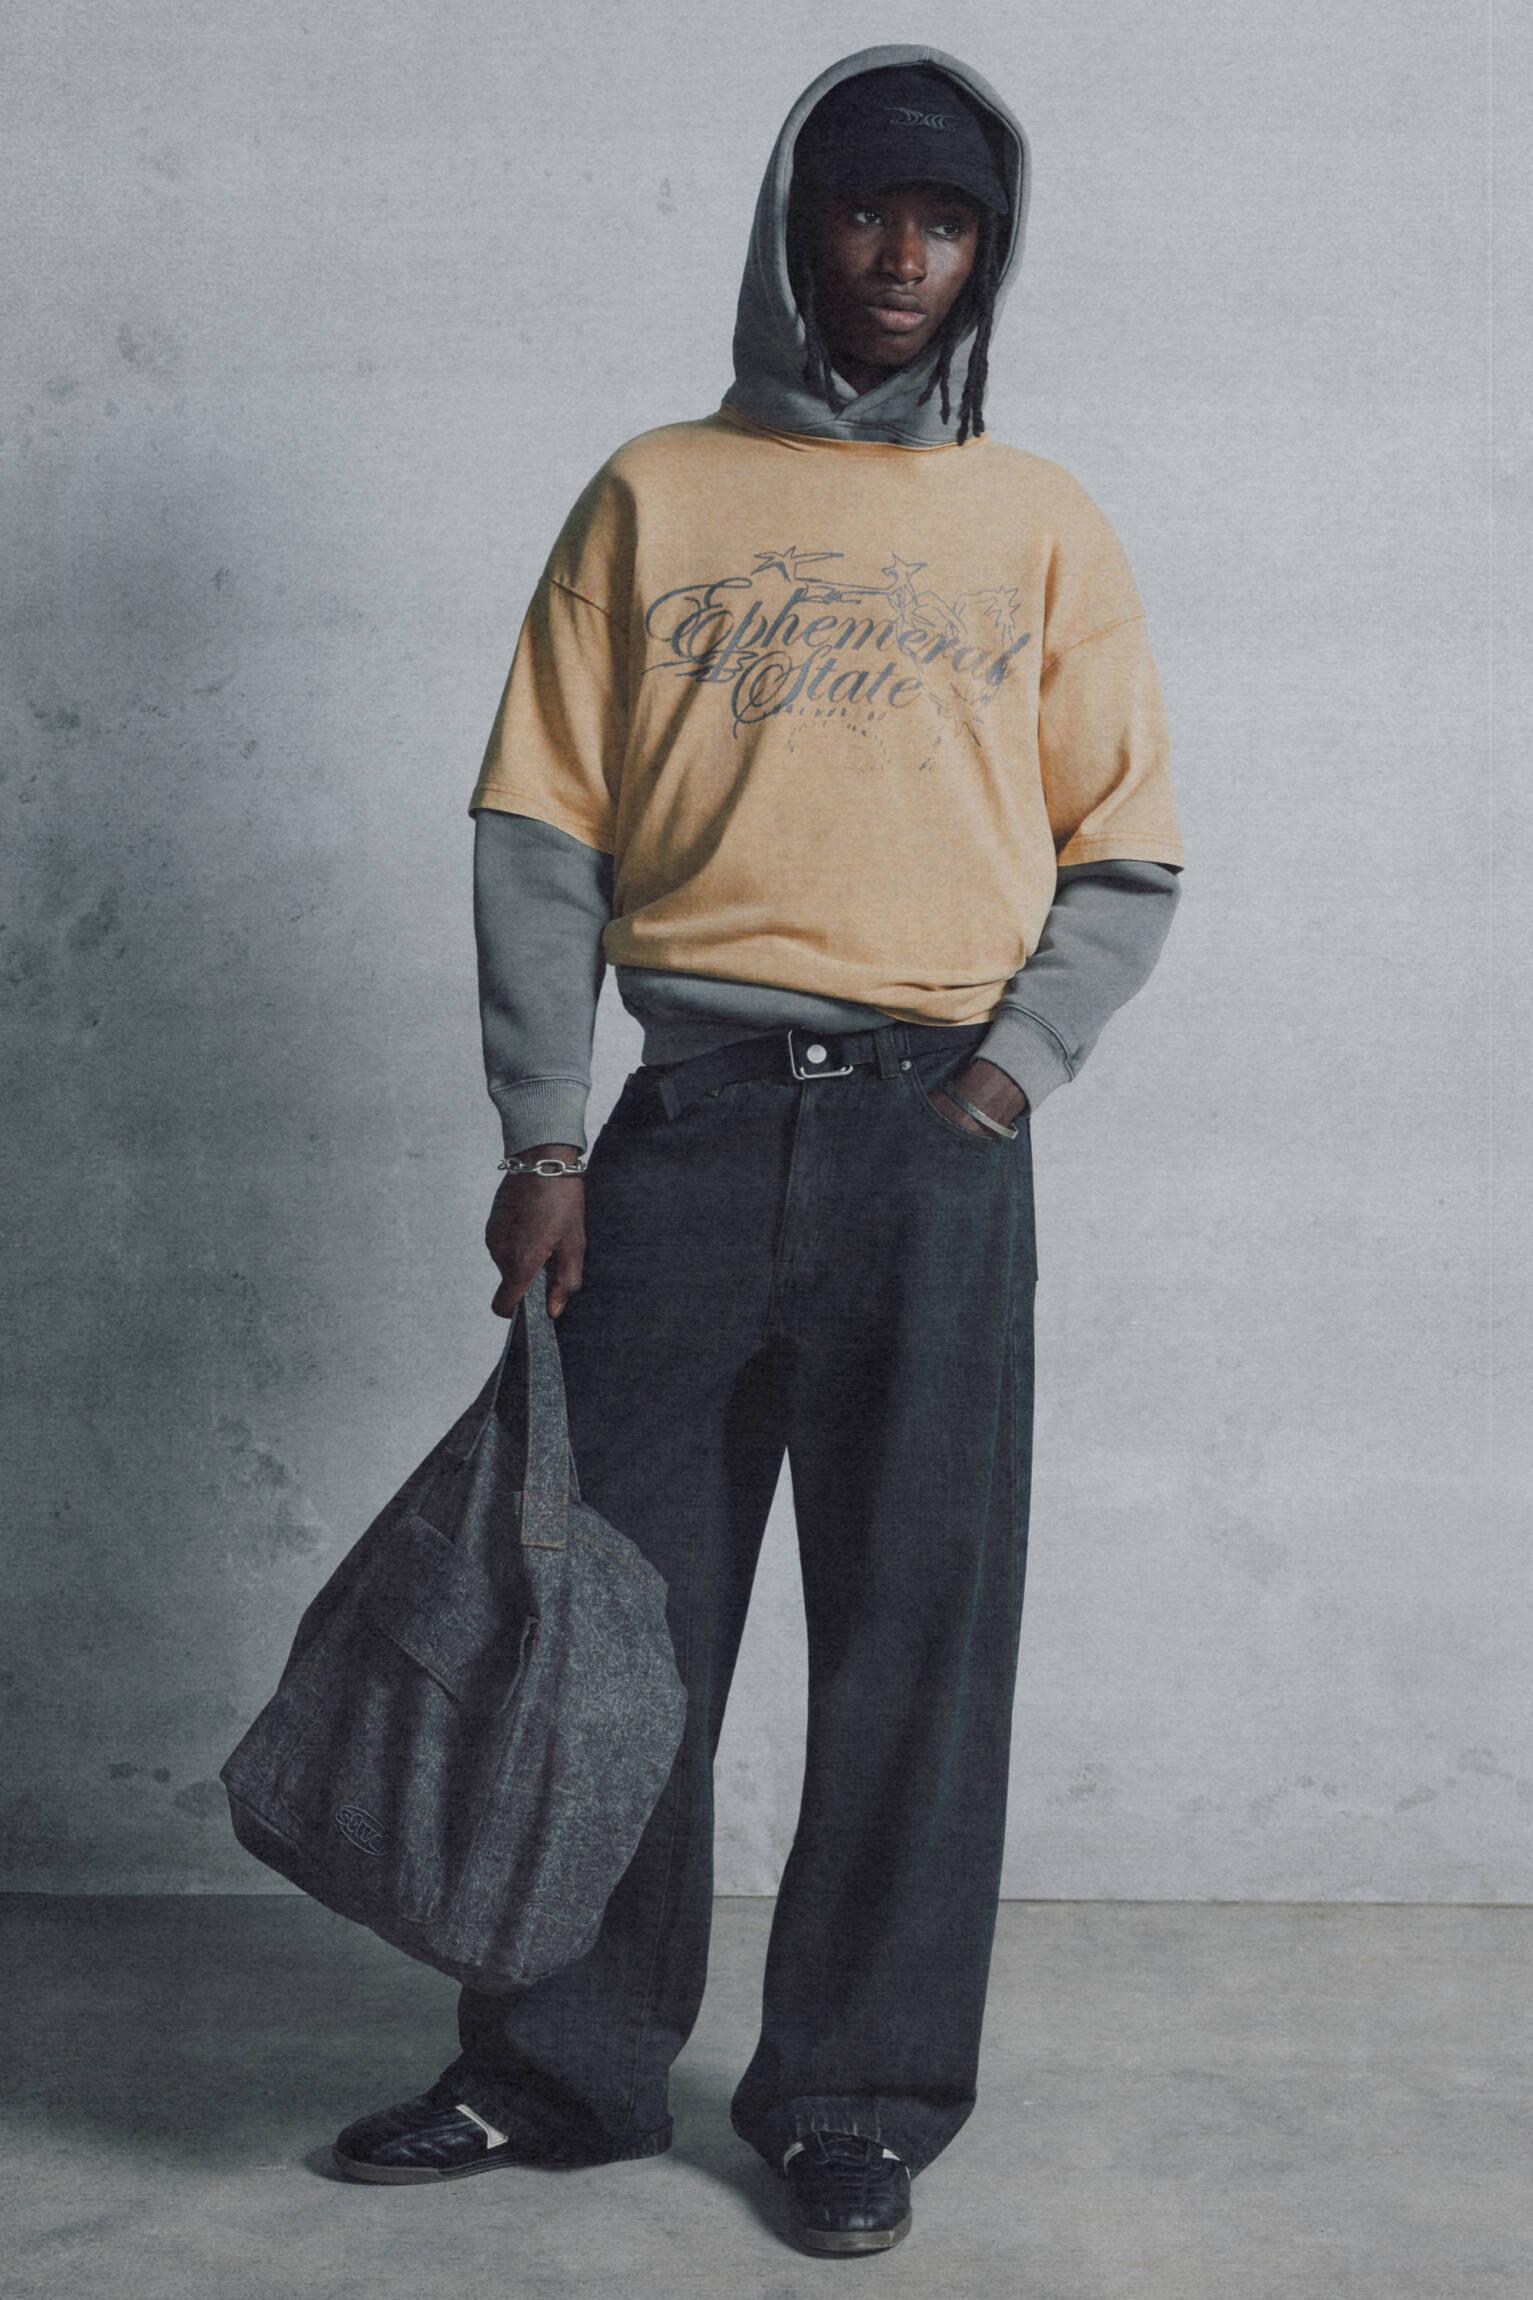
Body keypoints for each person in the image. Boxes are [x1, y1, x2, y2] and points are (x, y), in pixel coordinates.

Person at [331, 44, 1185, 2259]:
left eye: (946, 222)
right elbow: (538, 829)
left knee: (916, 1643)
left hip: (937, 1146)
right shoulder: (650, 495)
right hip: (682, 1137)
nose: (902, 256)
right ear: (794, 230)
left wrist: (998, 1085)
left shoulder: (1039, 521)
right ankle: (558, 2066)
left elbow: (1126, 855)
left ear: (987, 253)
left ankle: (856, 2095)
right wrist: (544, 1130)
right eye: (865, 211)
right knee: (609, 1627)